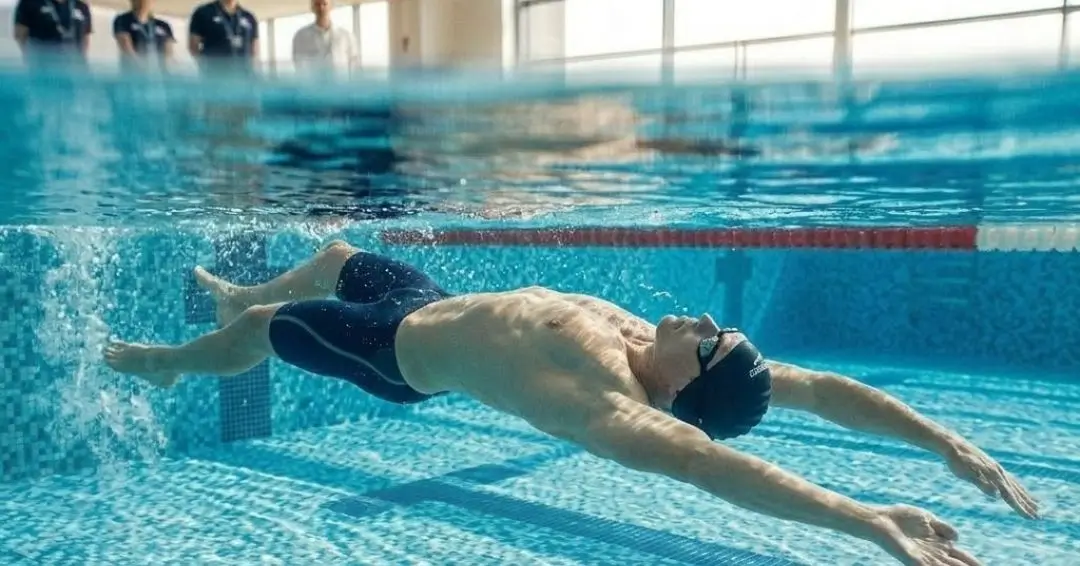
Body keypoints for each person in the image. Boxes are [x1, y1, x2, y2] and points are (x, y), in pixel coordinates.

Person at [104, 242, 1039, 566]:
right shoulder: (650, 335)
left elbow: (719, 466)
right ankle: (234, 301)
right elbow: (824, 390)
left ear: (690, 380)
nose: (708, 316)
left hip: (392, 355)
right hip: (421, 304)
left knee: (271, 326)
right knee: (341, 254)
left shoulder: (611, 408)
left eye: (713, 337)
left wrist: (866, 520)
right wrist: (941, 439)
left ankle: (177, 363)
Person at [187, 0, 259, 75]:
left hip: (244, 76)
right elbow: (193, 46)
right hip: (214, 75)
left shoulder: (249, 17)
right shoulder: (203, 12)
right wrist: (204, 67)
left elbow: (254, 49)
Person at [13, 0, 92, 66]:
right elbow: (20, 34)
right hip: (42, 66)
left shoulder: (82, 7)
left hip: (73, 68)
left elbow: (85, 39)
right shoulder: (29, 3)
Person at [291, 0, 356, 76]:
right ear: (312, 7)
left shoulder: (345, 35)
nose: (321, 8)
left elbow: (353, 63)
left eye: (324, 4)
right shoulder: (301, 36)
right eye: (317, 4)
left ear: (331, 6)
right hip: (313, 85)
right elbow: (298, 64)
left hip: (341, 85)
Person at [113, 0, 175, 73]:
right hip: (134, 74)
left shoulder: (164, 26)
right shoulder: (122, 20)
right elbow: (127, 50)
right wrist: (144, 70)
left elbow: (168, 56)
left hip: (158, 76)